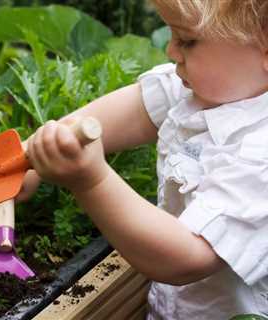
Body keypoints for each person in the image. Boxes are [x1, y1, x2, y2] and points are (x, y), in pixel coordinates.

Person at [15, 1, 268, 318]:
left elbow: (186, 256)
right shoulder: (210, 88)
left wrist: (91, 180)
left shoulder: (261, 154)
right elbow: (136, 110)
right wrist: (32, 154)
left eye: (187, 40)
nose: (171, 52)